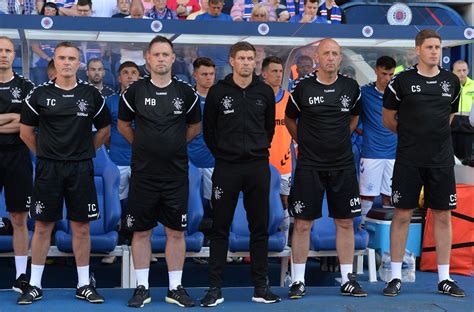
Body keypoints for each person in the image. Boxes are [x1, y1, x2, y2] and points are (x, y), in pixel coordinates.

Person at [18, 41, 111, 304]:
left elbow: (104, 131)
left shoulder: (91, 95)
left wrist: (82, 151)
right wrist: (47, 155)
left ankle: (83, 284)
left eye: (72, 58)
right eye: (62, 58)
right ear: (54, 62)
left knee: (81, 227)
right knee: (43, 226)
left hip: (81, 168)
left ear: (79, 62)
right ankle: (34, 285)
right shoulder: (38, 95)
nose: (67, 63)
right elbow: (26, 133)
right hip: (49, 169)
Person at [118, 35, 201, 308]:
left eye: (166, 54)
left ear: (173, 58)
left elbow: (194, 127)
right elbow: (123, 126)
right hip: (143, 174)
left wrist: (173, 146)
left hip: (176, 174)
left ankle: (174, 288)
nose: (161, 59)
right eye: (157, 54)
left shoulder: (186, 92)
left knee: (176, 231)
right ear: (148, 58)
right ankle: (142, 287)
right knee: (141, 231)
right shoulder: (134, 91)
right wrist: (144, 147)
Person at [382, 29, 465, 297]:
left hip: (441, 160)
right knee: (402, 214)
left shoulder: (451, 81)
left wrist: (432, 138)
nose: (435, 51)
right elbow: (388, 118)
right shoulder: (401, 82)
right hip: (408, 159)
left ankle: (445, 278)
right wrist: (412, 137)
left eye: (438, 47)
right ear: (418, 50)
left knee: (442, 215)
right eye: (429, 47)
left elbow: (450, 116)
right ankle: (395, 276)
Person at [285, 38, 367, 299]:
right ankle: (298, 281)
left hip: (342, 165)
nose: (331, 58)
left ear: (340, 59)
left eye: (335, 54)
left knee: (345, 222)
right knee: (302, 224)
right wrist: (304, 142)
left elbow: (354, 116)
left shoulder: (351, 87)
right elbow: (289, 119)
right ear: (317, 58)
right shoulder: (303, 88)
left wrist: (342, 137)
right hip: (310, 165)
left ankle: (346, 280)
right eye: (326, 54)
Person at [201, 41, 280, 307]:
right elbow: (209, 132)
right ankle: (214, 288)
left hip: (258, 168)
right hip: (226, 168)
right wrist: (226, 154)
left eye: (251, 58)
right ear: (232, 61)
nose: (247, 63)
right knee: (219, 228)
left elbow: (268, 130)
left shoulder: (265, 92)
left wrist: (254, 151)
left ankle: (260, 287)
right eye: (242, 58)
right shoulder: (217, 92)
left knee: (260, 229)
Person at [0, 36, 34, 296]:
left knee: (19, 218)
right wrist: (11, 117)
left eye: (8, 50)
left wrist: (15, 120)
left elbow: (26, 124)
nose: (3, 54)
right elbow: (16, 119)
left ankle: (22, 275)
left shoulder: (26, 87)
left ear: (15, 55)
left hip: (18, 156)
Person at [359, 56, 397, 222]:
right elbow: (351, 117)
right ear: (376, 71)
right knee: (367, 196)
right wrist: (365, 133)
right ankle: (362, 229)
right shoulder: (364, 92)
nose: (387, 78)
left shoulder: (397, 94)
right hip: (371, 153)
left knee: (389, 196)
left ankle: (386, 236)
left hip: (394, 154)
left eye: (390, 74)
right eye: (383, 74)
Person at [261, 55, 292, 243]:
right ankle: (259, 242)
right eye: (274, 71)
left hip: (284, 162)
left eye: (280, 71)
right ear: (264, 74)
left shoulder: (289, 99)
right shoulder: (257, 98)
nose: (278, 75)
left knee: (284, 203)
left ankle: (284, 245)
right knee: (260, 202)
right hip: (262, 161)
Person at [188, 57, 216, 207]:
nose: (209, 77)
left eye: (211, 74)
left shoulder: (220, 98)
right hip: (190, 160)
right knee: (190, 203)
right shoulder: (187, 98)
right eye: (204, 74)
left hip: (213, 161)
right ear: (195, 75)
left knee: (217, 204)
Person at [451, 60, 474, 165]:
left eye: (464, 70)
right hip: (451, 128)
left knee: (466, 160)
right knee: (450, 159)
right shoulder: (448, 87)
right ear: (453, 72)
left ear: (468, 71)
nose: (462, 73)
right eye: (459, 70)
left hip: (468, 129)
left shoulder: (473, 85)